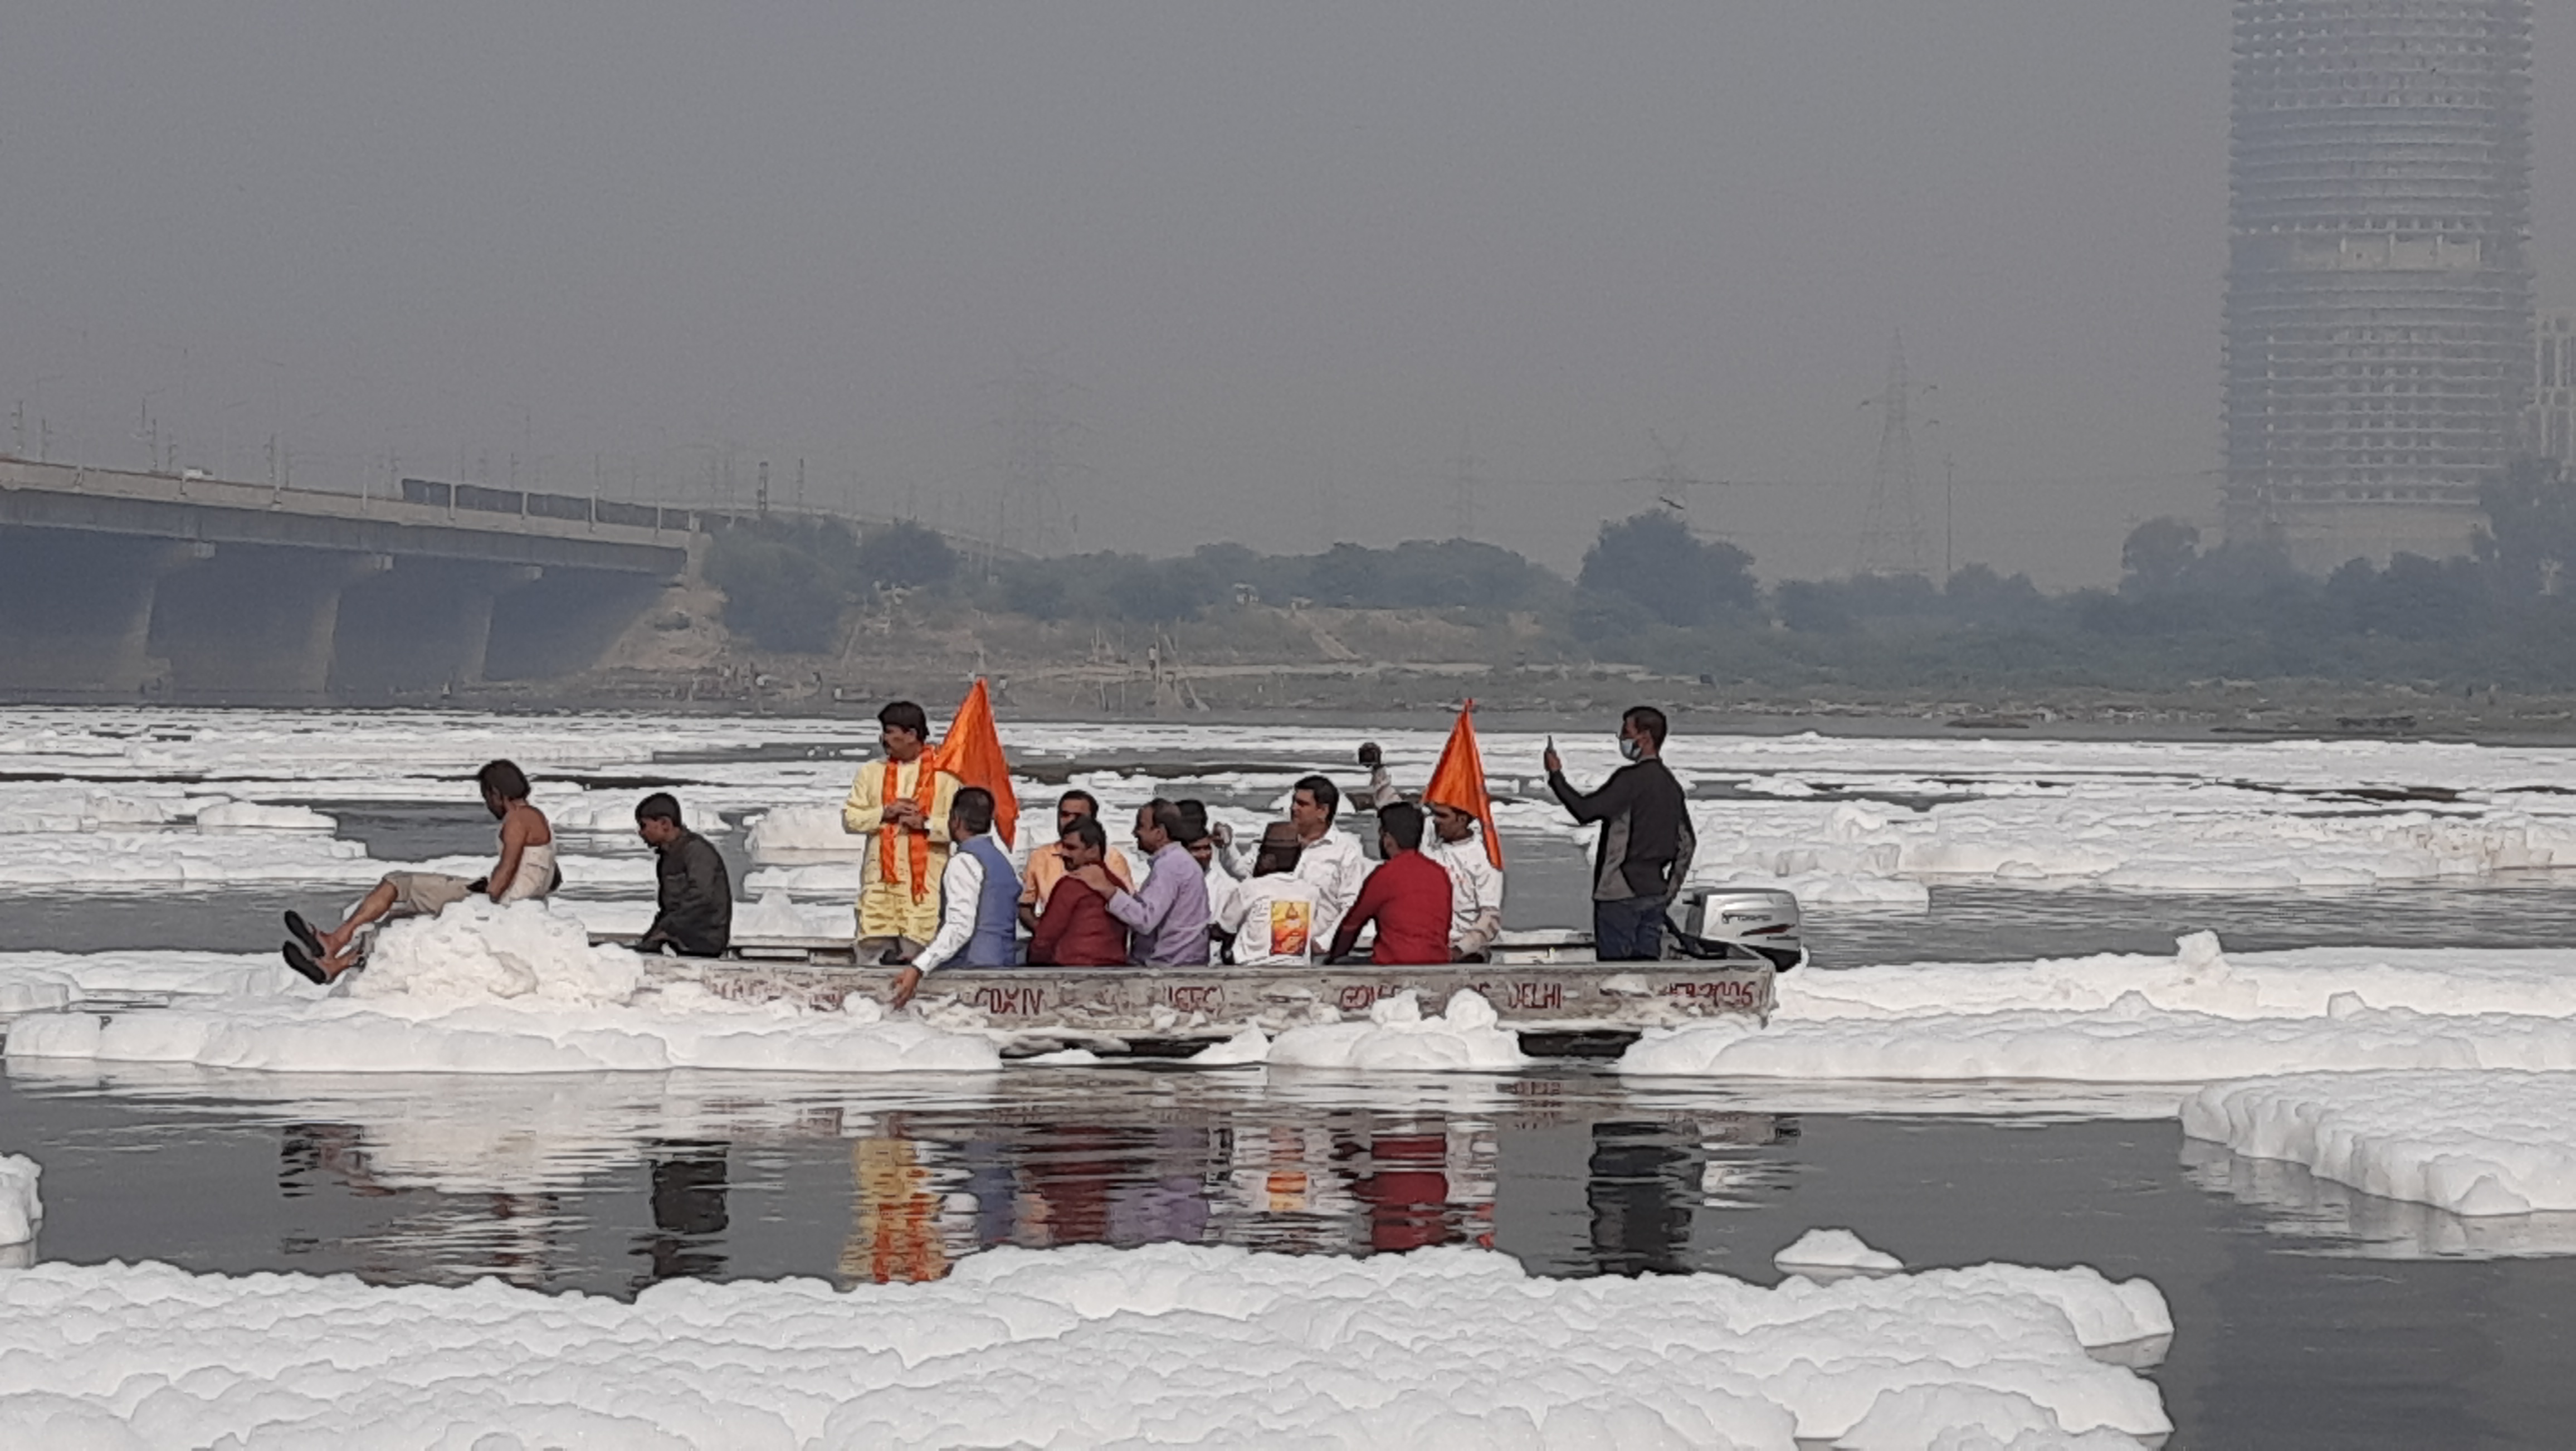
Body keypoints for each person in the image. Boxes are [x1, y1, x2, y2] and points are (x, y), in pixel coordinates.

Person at [281, 760, 556, 984]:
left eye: (487, 796)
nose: (488, 804)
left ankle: (334, 941)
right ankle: (335, 966)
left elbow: (507, 869)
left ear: (497, 793)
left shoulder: (517, 820)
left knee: (397, 883)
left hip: (502, 904)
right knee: (400, 918)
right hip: (518, 902)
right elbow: (550, 875)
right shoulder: (537, 816)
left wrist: (491, 890)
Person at [1545, 705, 1696, 962]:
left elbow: (1585, 811)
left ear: (1645, 736)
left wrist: (1556, 776)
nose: (1621, 738)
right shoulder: (1670, 785)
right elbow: (1687, 844)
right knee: (1646, 973)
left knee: (1616, 976)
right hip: (1654, 893)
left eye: (1626, 732)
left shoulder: (1630, 780)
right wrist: (1668, 891)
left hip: (1620, 894)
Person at [841, 701, 962, 965]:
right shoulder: (870, 773)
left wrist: (925, 824)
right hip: (879, 888)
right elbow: (851, 819)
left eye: (890, 731)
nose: (884, 738)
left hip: (923, 892)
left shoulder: (946, 778)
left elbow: (960, 829)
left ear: (911, 734)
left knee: (921, 960)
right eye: (884, 731)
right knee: (872, 954)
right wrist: (885, 812)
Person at [1362, 746, 1505, 962]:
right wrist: (1378, 771)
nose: (1435, 819)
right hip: (1421, 943)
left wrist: (1458, 951)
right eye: (1434, 813)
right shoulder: (1427, 830)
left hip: (1461, 952)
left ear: (1462, 820)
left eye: (1443, 816)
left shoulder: (1484, 860)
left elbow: (1490, 918)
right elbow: (1394, 811)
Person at [889, 787, 1020, 1008]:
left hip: (973, 968)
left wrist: (919, 967)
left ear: (956, 820)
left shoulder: (964, 861)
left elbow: (960, 927)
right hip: (1003, 962)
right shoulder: (1003, 862)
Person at [1214, 775, 1367, 944]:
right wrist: (1227, 845)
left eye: (1302, 804)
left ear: (1322, 811)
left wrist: (1324, 943)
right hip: (1267, 944)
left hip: (1312, 948)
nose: (1294, 808)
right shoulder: (1276, 838)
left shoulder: (1346, 851)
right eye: (1294, 801)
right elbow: (1244, 872)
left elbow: (1350, 905)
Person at [1081, 798, 1210, 966]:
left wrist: (1108, 890)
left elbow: (1145, 920)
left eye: (1141, 826)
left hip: (1169, 967)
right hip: (1180, 964)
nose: (1135, 833)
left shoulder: (1170, 865)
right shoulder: (1177, 861)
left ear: (1160, 833)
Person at [1325, 802, 1453, 967]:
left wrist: (1332, 960)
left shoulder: (1386, 874)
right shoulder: (1439, 873)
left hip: (1393, 966)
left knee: (1341, 964)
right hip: (1439, 964)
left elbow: (1351, 926)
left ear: (1388, 839)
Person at [1018, 789, 1133, 932]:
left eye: (1078, 816)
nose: (1070, 821)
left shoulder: (1112, 858)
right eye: (1064, 815)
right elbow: (1025, 907)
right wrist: (1044, 933)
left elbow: (1128, 907)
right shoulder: (1040, 856)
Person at [635, 793, 733, 958]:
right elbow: (668, 908)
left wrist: (667, 928)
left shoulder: (696, 852)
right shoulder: (666, 858)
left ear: (665, 824)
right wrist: (654, 934)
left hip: (705, 938)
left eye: (644, 826)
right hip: (681, 935)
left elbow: (702, 897)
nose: (641, 832)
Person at [1026, 816, 1131, 967]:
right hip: (1115, 973)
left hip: (1072, 972)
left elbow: (1045, 939)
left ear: (1093, 850)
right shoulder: (1118, 886)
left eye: (1071, 848)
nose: (1063, 853)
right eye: (1063, 846)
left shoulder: (1072, 885)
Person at [1216, 822, 1323, 967]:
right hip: (1298, 968)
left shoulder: (1250, 888)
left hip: (1252, 970)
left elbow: (1225, 929)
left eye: (1260, 855)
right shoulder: (1311, 892)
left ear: (1269, 860)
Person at [1175, 798, 1241, 961]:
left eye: (1206, 848)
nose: (1204, 855)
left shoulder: (1227, 887)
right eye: (1196, 850)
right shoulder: (1166, 879)